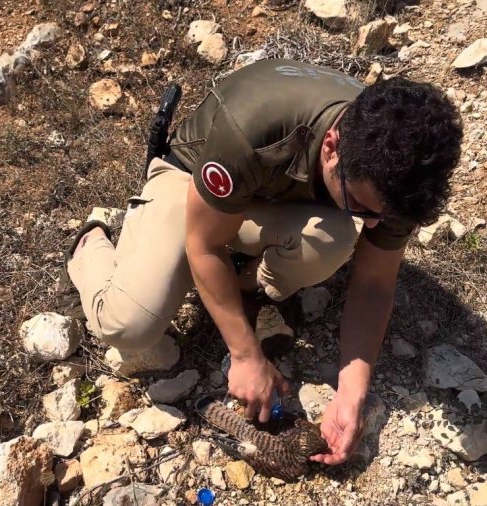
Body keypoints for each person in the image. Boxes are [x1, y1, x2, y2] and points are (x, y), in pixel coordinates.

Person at [61, 58, 463, 465]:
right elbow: (204, 244)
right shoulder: (253, 125)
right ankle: (90, 241)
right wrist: (245, 355)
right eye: (361, 205)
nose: (373, 224)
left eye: (383, 216)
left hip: (271, 199)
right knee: (129, 325)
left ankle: (236, 284)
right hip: (194, 184)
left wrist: (351, 392)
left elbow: (375, 283)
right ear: (332, 148)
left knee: (333, 237)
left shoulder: (397, 170)